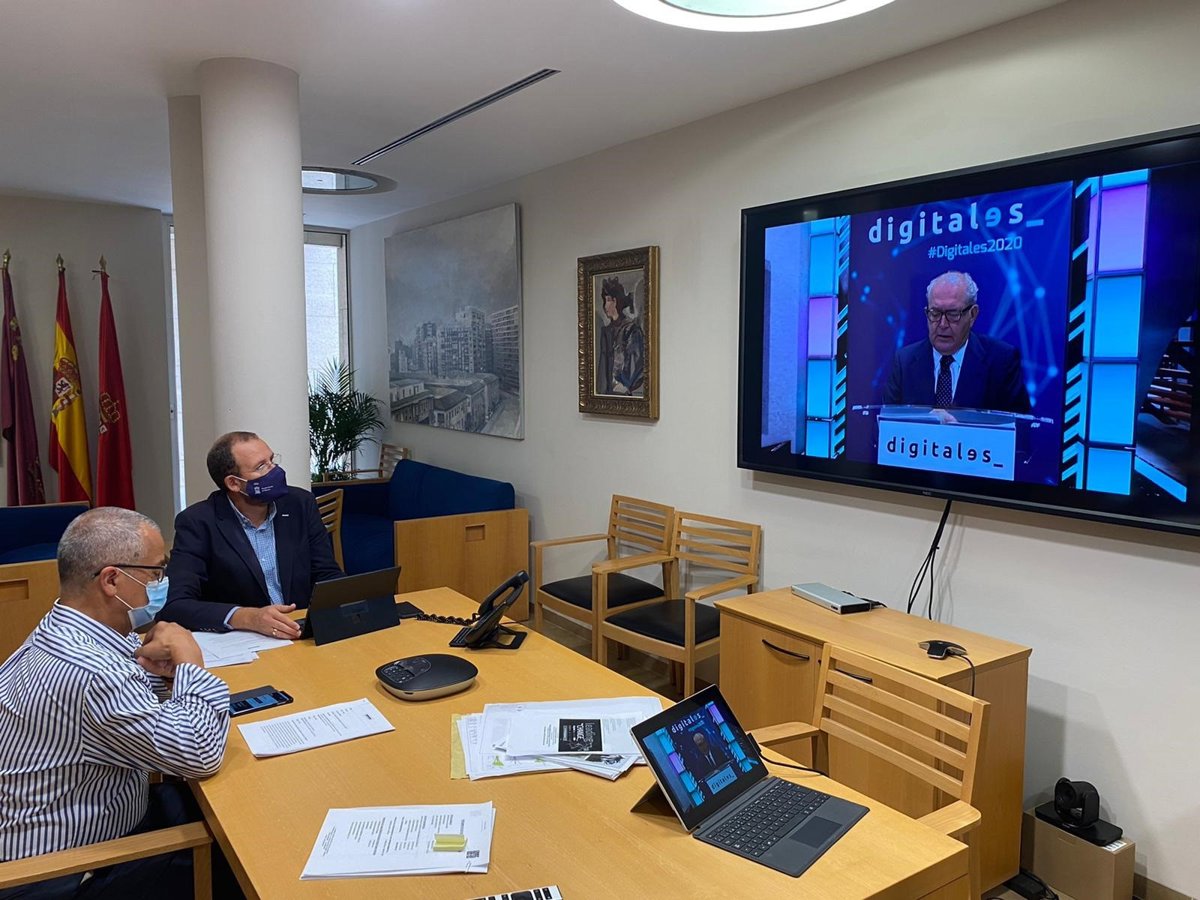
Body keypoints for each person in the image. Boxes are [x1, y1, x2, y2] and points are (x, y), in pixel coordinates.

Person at [0, 507, 229, 899]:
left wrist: (165, 674)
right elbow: (200, 753)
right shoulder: (93, 672)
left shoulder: (62, 629)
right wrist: (190, 659)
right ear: (111, 580)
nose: (163, 583)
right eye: (156, 572)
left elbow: (125, 697)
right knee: (237, 854)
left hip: (82, 823)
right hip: (63, 874)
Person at [158, 431, 342, 637]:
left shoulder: (300, 503)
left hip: (299, 632)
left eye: (272, 460)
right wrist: (247, 617)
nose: (275, 471)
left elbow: (327, 575)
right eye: (261, 466)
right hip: (244, 640)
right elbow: (175, 604)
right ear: (234, 483)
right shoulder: (198, 522)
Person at [883, 271, 1031, 414]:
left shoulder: (1001, 362)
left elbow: (1020, 427)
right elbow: (886, 424)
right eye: (935, 313)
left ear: (972, 315)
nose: (942, 324)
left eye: (953, 314)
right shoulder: (904, 361)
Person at [596, 276, 645, 397]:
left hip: (623, 392)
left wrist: (624, 384)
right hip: (606, 393)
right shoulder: (606, 331)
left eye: (608, 300)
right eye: (604, 300)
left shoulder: (631, 329)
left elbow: (636, 363)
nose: (605, 306)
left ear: (616, 301)